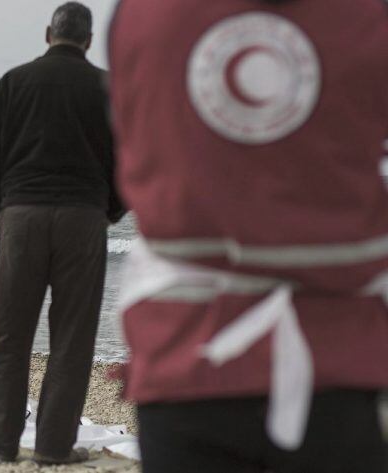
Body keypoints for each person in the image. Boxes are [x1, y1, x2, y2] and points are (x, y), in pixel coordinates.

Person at [109, 1, 388, 472]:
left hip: (184, 354)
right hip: (341, 357)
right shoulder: (366, 15)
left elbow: (137, 146)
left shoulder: (142, 14)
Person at [0, 2, 125, 465]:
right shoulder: (109, 89)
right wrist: (108, 211)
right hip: (83, 219)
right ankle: (54, 447)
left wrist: (2, 208)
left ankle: (2, 443)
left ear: (47, 34)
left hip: (22, 217)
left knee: (11, 335)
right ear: (90, 41)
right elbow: (136, 161)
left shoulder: (13, 83)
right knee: (73, 338)